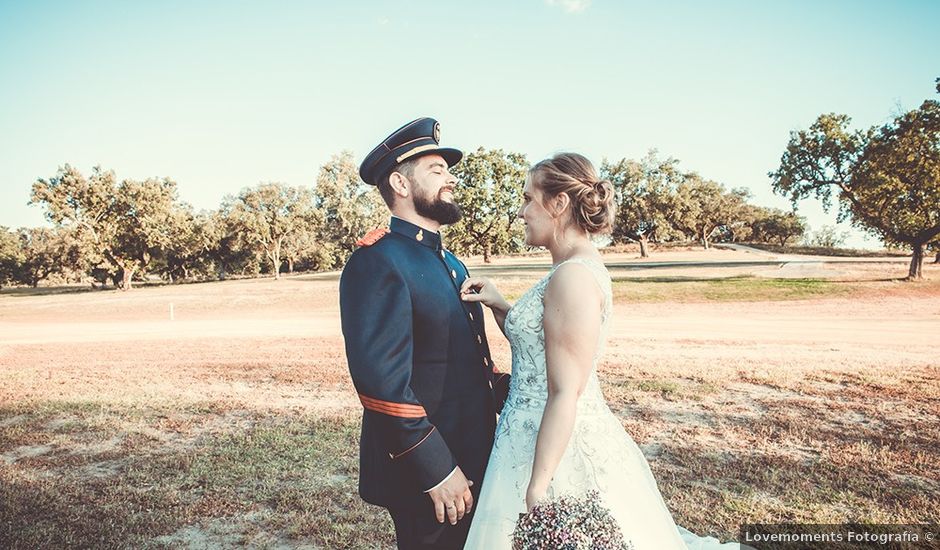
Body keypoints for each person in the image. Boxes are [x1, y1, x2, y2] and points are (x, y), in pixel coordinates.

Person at [461, 153, 738, 549]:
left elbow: (565, 391)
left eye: (528, 199)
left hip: (556, 447)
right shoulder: (567, 269)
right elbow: (540, 349)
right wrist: (501, 305)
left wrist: (538, 486)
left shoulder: (572, 277)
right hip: (524, 435)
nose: (521, 212)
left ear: (558, 204)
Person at [340, 117, 510, 550]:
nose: (451, 179)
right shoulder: (378, 261)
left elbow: (469, 361)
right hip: (429, 468)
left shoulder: (451, 263)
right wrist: (434, 467)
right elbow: (381, 382)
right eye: (436, 170)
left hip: (476, 448)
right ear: (399, 182)